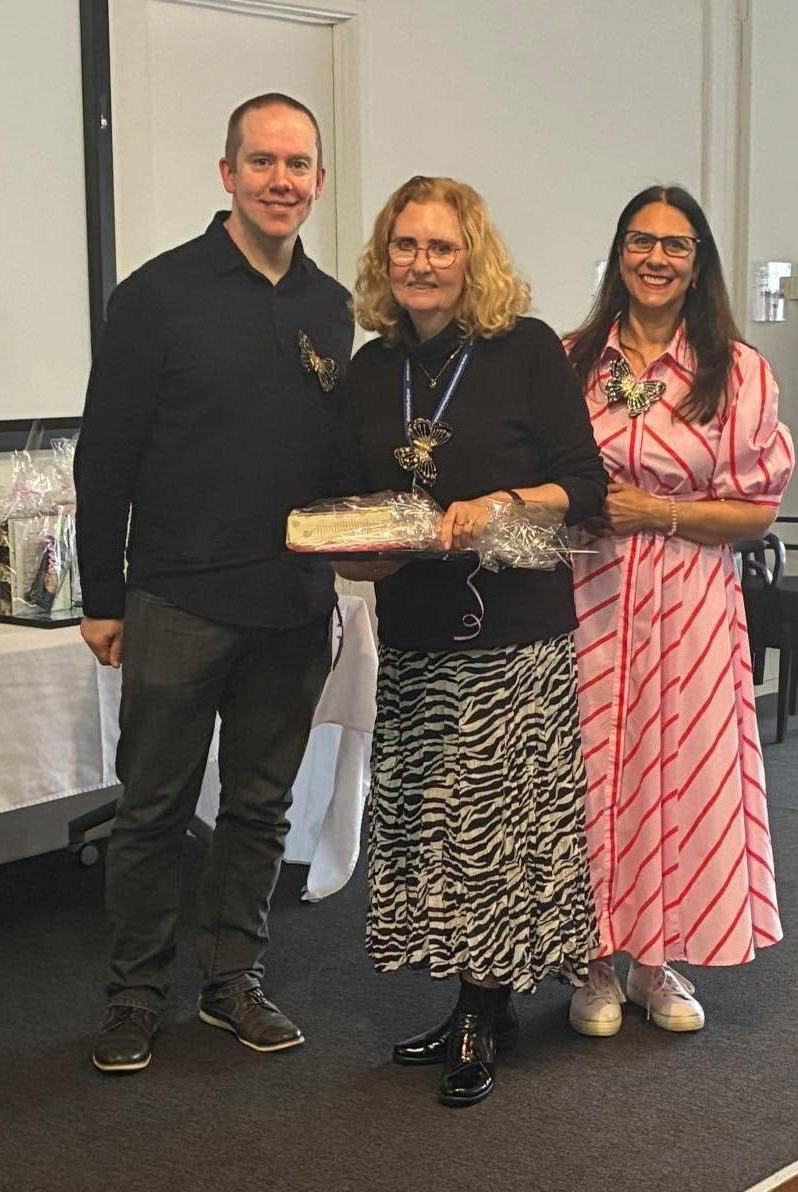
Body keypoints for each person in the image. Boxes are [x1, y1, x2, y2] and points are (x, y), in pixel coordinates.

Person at [75, 93, 353, 1073]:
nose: (281, 180)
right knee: (152, 810)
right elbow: (105, 457)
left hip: (292, 606)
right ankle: (133, 995)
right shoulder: (154, 296)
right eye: (262, 161)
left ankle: (232, 981)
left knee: (259, 807)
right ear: (227, 173)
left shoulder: (332, 307)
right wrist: (100, 596)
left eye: (297, 164)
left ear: (318, 181)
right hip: (176, 600)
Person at [337, 175, 607, 1106]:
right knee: (435, 828)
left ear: (472, 256)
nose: (422, 263)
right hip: (416, 632)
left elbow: (585, 484)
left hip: (515, 635)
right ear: (385, 257)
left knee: (494, 832)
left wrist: (500, 503)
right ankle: (471, 1004)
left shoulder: (524, 349)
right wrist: (360, 550)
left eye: (441, 247)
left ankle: (484, 1016)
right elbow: (359, 495)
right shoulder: (372, 368)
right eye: (406, 246)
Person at [565, 185, 794, 1038]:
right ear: (619, 252)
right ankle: (593, 962)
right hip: (588, 598)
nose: (655, 258)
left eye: (675, 244)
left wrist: (656, 511)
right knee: (592, 775)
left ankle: (657, 961)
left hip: (691, 605)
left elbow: (757, 512)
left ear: (699, 264)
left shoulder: (736, 371)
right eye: (640, 240)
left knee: (679, 776)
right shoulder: (572, 360)